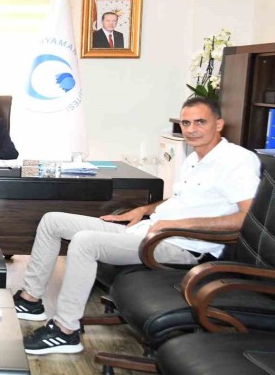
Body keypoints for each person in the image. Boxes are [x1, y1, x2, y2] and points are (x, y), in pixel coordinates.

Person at [13, 97, 261, 355]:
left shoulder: (237, 160)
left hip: (183, 246)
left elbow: (246, 217)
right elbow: (180, 201)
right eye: (186, 123)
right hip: (152, 231)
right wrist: (144, 210)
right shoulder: (194, 159)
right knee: (52, 220)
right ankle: (30, 300)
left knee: (86, 242)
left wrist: (176, 224)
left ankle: (65, 331)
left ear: (219, 124)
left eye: (200, 122)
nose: (191, 129)